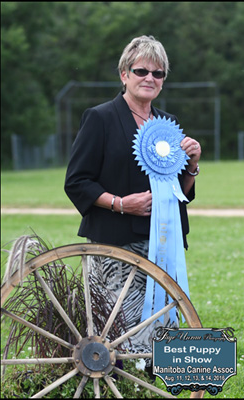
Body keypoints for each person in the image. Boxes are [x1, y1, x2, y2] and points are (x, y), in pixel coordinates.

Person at [64, 36, 201, 355]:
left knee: (161, 320)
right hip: (115, 241)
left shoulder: (169, 124)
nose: (149, 79)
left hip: (163, 243)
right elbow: (77, 182)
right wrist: (121, 204)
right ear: (124, 74)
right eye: (141, 71)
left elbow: (180, 193)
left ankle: (157, 380)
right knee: (123, 329)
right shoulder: (99, 118)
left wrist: (192, 164)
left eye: (158, 73)